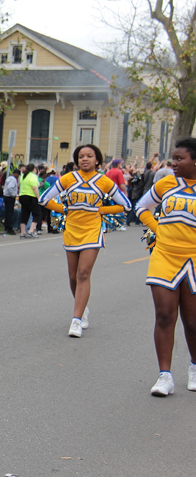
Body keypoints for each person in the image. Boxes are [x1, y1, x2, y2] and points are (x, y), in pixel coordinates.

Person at [40, 144, 131, 338]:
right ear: (76, 160)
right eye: (81, 156)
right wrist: (64, 209)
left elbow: (126, 205)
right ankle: (83, 309)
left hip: (93, 231)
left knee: (83, 273)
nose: (85, 159)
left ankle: (76, 320)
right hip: (72, 230)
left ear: (97, 160)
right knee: (73, 276)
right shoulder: (68, 178)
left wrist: (102, 210)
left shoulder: (103, 181)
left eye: (89, 156)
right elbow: (44, 199)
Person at [134, 138, 196, 395]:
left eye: (180, 159)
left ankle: (194, 368)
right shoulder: (167, 183)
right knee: (165, 315)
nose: (174, 163)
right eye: (173, 159)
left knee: (192, 322)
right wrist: (159, 229)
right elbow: (141, 207)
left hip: (194, 260)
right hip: (164, 256)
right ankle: (165, 376)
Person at [19, 163, 41, 238]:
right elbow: (34, 188)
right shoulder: (33, 176)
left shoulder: (22, 176)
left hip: (22, 196)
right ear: (33, 169)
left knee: (24, 214)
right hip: (31, 196)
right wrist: (39, 198)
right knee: (37, 213)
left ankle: (22, 233)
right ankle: (31, 231)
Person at [3, 168, 19, 235]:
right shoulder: (13, 179)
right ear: (16, 174)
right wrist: (13, 194)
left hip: (6, 196)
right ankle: (9, 228)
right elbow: (10, 187)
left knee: (7, 212)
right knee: (10, 213)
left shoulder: (8, 178)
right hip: (10, 197)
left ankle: (6, 226)